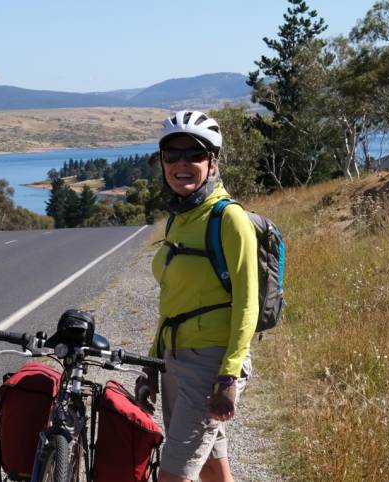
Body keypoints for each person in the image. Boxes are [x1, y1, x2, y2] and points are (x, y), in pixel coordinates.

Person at [135, 110, 259, 482]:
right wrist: (152, 364)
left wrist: (229, 376)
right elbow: (173, 301)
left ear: (212, 162)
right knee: (210, 465)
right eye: (172, 155)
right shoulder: (180, 217)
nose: (182, 164)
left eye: (195, 154)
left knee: (173, 475)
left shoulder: (228, 218)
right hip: (177, 358)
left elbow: (247, 304)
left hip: (211, 365)